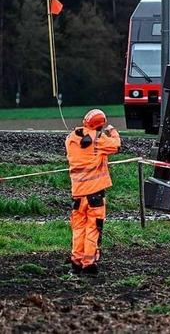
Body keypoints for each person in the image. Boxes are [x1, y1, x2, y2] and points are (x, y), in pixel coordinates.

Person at [65, 109, 121, 274]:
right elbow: (116, 145)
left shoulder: (71, 139)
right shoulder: (99, 139)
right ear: (100, 126)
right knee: (93, 228)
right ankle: (88, 264)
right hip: (95, 195)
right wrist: (113, 131)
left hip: (77, 194)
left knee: (78, 228)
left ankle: (76, 261)